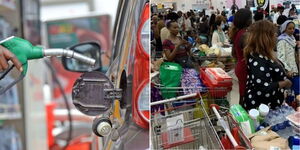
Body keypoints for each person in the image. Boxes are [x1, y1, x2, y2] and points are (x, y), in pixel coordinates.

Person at [243, 20, 292, 110]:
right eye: (273, 33)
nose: (276, 35)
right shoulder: (257, 59)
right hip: (261, 108)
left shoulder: (266, 54)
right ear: (265, 37)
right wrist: (284, 83)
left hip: (270, 103)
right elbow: (263, 87)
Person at [229, 8, 252, 105]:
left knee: (242, 93)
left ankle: (240, 113)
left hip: (240, 65)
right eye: (251, 18)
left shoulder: (239, 33)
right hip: (244, 68)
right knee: (244, 94)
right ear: (247, 20)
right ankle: (241, 115)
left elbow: (235, 53)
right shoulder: (245, 35)